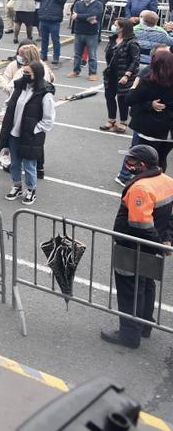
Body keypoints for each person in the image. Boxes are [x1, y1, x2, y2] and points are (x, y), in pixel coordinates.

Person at [99, 144, 173, 348]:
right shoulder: (167, 181)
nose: (127, 165)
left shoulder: (141, 188)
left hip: (132, 247)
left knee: (130, 290)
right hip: (152, 246)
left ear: (142, 165)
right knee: (147, 285)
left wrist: (160, 245)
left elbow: (140, 224)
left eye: (131, 162)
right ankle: (145, 325)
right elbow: (171, 217)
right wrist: (166, 240)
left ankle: (129, 335)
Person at [0, 61, 55, 206]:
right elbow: (9, 103)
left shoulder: (45, 93)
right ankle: (17, 186)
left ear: (37, 74)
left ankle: (31, 189)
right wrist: (5, 116)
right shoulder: (19, 86)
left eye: (28, 73)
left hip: (30, 135)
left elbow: (48, 120)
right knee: (15, 163)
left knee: (29, 165)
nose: (24, 75)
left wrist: (35, 129)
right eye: (24, 72)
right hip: (14, 133)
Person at [115, 49, 173, 186]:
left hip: (150, 129)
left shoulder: (149, 81)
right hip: (169, 132)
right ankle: (158, 184)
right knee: (161, 158)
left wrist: (134, 87)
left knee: (143, 160)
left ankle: (141, 184)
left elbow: (129, 100)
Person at [102, 18, 142, 133]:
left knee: (122, 98)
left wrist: (127, 75)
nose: (113, 27)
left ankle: (123, 122)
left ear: (123, 28)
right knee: (109, 96)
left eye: (116, 25)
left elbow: (135, 61)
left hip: (124, 74)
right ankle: (111, 120)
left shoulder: (132, 42)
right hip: (111, 73)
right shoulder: (113, 39)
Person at [69, 0, 104, 80]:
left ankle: (92, 73)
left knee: (92, 55)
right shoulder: (78, 4)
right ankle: (76, 71)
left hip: (91, 33)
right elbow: (75, 15)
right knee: (77, 54)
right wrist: (86, 18)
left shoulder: (98, 4)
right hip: (79, 31)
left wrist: (79, 16)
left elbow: (93, 15)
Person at [35, 0, 68, 65]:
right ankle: (43, 55)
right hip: (43, 18)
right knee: (44, 39)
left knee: (55, 39)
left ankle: (56, 56)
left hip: (55, 20)